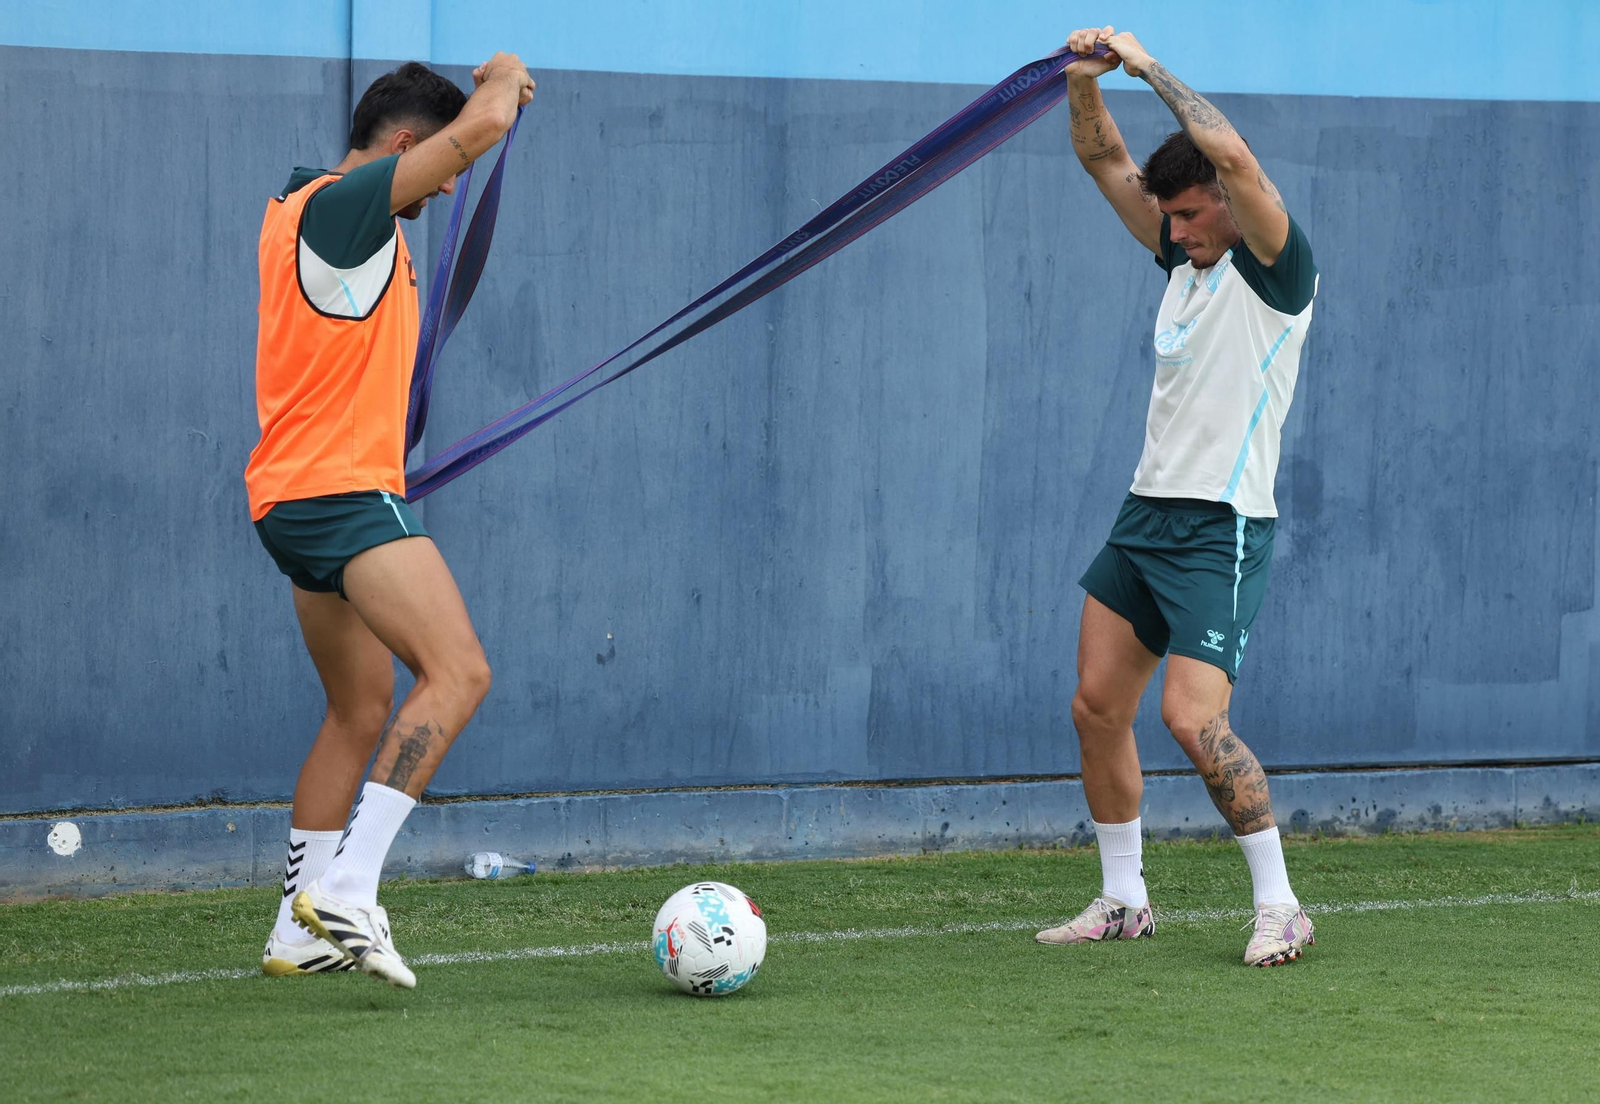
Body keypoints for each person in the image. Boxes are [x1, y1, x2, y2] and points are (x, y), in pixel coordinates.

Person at [246, 56, 535, 988]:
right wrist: (506, 73)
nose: (449, 187)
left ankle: (297, 929)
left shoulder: (304, 211)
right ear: (404, 147)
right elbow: (483, 125)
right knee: (459, 671)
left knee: (357, 708)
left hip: (298, 500)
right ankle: (351, 886)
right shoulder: (345, 205)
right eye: (437, 169)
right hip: (339, 498)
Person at [1034, 27, 1319, 966]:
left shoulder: (1277, 269)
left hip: (1221, 526)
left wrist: (1147, 64)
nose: (1180, 228)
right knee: (1095, 707)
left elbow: (1231, 155)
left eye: (1195, 212)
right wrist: (1083, 80)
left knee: (1193, 721)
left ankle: (1280, 904)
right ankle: (1123, 898)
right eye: (1173, 216)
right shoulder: (1182, 261)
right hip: (1146, 515)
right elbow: (1103, 155)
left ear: (1231, 207)